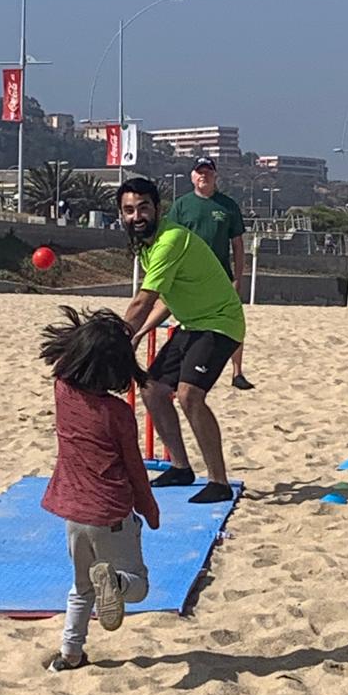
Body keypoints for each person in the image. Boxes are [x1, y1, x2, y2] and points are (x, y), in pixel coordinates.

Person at [40, 306, 160, 673]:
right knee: (137, 585)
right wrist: (149, 509)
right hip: (110, 513)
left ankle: (70, 654)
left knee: (81, 588)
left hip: (73, 515)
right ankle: (116, 584)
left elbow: (63, 362)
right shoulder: (118, 414)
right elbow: (134, 468)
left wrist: (86, 336)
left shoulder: (62, 390)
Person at [118, 176, 245, 504]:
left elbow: (144, 299)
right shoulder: (145, 245)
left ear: (157, 208)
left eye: (143, 207)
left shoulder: (170, 239)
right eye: (129, 210)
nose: (137, 216)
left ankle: (218, 481)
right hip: (192, 324)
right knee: (152, 389)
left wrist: (116, 337)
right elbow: (165, 299)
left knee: (189, 395)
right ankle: (180, 467)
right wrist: (141, 332)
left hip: (220, 322)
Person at [167, 156, 253, 390]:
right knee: (188, 322)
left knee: (234, 322)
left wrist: (238, 277)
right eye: (199, 172)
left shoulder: (227, 206)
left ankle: (237, 372)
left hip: (221, 276)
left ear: (215, 176)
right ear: (192, 176)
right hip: (188, 277)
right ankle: (184, 367)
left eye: (208, 172)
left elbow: (237, 244)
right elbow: (170, 241)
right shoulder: (181, 206)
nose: (204, 176)